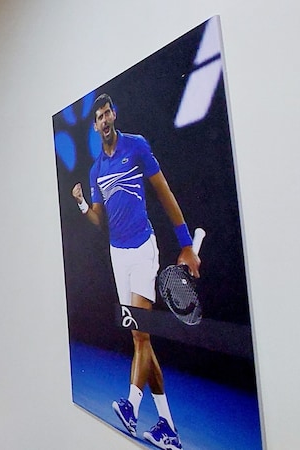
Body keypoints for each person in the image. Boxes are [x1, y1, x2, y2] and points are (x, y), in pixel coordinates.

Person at [71, 94, 200, 450]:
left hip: (143, 249)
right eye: (99, 117)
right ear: (94, 126)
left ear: (114, 114)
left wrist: (186, 243)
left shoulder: (137, 146)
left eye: (107, 113)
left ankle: (132, 404)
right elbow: (100, 220)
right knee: (140, 338)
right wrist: (82, 204)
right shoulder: (97, 170)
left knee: (141, 335)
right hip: (118, 256)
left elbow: (164, 191)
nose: (104, 120)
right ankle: (167, 426)